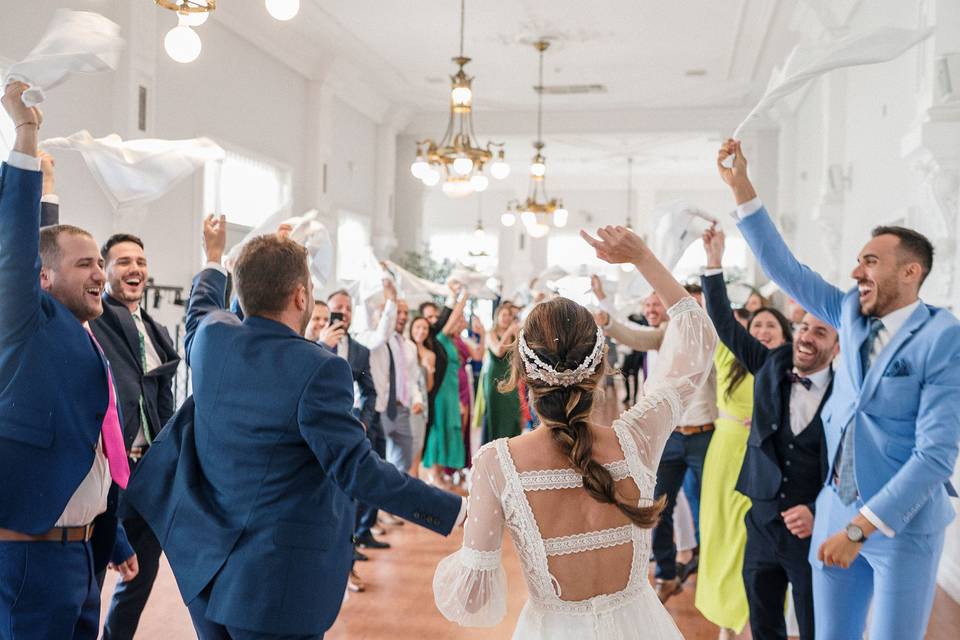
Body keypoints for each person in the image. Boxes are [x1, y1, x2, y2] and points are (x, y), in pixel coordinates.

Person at [124, 214, 465, 639]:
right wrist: (456, 509)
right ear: (302, 297)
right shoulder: (318, 368)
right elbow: (358, 470)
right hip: (273, 586)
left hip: (204, 567)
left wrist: (214, 258)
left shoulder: (211, 340)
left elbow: (202, 309)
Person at [719, 139, 960, 640]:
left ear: (910, 272)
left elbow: (935, 456)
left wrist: (861, 529)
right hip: (834, 509)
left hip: (903, 524)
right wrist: (742, 187)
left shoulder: (944, 337)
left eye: (870, 262)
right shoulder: (848, 315)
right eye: (857, 261)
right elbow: (788, 271)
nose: (856, 272)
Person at [433, 224, 717, 638]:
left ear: (521, 373)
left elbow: (472, 600)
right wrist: (643, 258)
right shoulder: (636, 439)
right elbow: (698, 340)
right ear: (601, 369)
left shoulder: (498, 462)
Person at [0, 81, 135, 640]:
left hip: (82, 556)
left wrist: (114, 536)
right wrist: (25, 136)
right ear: (45, 279)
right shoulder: (24, 323)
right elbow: (19, 245)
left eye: (98, 262)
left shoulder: (86, 334)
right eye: (86, 265)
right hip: (27, 563)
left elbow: (93, 446)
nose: (99, 272)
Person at [702, 225, 835, 640]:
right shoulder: (772, 363)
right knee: (764, 624)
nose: (807, 338)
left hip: (809, 527)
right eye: (804, 329)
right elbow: (724, 324)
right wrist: (713, 264)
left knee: (814, 623)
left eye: (820, 331)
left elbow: (848, 462)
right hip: (760, 522)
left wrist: (818, 509)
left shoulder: (847, 389)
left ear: (838, 343)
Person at [593, 278, 717, 601]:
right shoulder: (670, 334)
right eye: (687, 306)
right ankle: (666, 572)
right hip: (673, 437)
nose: (693, 314)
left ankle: (707, 573)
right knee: (656, 505)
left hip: (707, 436)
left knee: (711, 508)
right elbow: (638, 336)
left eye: (698, 307)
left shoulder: (713, 340)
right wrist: (608, 322)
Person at [90, 233, 181, 640]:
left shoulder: (158, 330)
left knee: (140, 574)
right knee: (91, 575)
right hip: (108, 469)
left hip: (150, 471)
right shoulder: (94, 321)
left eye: (141, 261)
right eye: (124, 261)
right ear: (104, 270)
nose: (135, 269)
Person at [326, 288, 388, 552]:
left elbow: (370, 391)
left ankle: (351, 546)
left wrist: (364, 420)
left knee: (357, 487)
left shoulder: (360, 350)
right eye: (338, 308)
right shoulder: (312, 343)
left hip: (351, 424)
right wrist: (323, 343)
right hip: (321, 426)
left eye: (349, 308)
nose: (344, 313)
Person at [370, 298, 425, 475]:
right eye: (398, 312)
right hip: (382, 410)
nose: (402, 317)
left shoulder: (410, 346)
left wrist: (417, 399)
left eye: (405, 313)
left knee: (405, 458)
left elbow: (412, 379)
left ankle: (393, 500)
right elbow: (381, 333)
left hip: (402, 411)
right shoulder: (380, 342)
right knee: (377, 459)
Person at [422, 292, 469, 486]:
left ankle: (441, 472)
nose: (458, 322)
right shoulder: (440, 337)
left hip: (452, 392)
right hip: (441, 392)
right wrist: (463, 297)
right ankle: (433, 473)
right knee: (439, 429)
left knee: (450, 430)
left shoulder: (451, 341)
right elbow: (453, 316)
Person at [479, 303, 522, 443]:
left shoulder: (515, 334)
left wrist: (516, 334)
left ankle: (512, 447)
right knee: (495, 414)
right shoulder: (490, 334)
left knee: (513, 412)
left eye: (509, 315)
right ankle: (494, 446)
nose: (506, 318)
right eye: (503, 315)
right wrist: (509, 332)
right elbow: (498, 351)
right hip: (494, 378)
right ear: (497, 317)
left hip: (510, 377)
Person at [409, 315, 436, 474]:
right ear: (411, 329)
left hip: (422, 405)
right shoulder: (405, 348)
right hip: (406, 403)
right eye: (418, 327)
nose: (421, 331)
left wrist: (429, 370)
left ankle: (415, 479)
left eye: (424, 328)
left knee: (418, 445)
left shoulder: (430, 355)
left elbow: (429, 387)